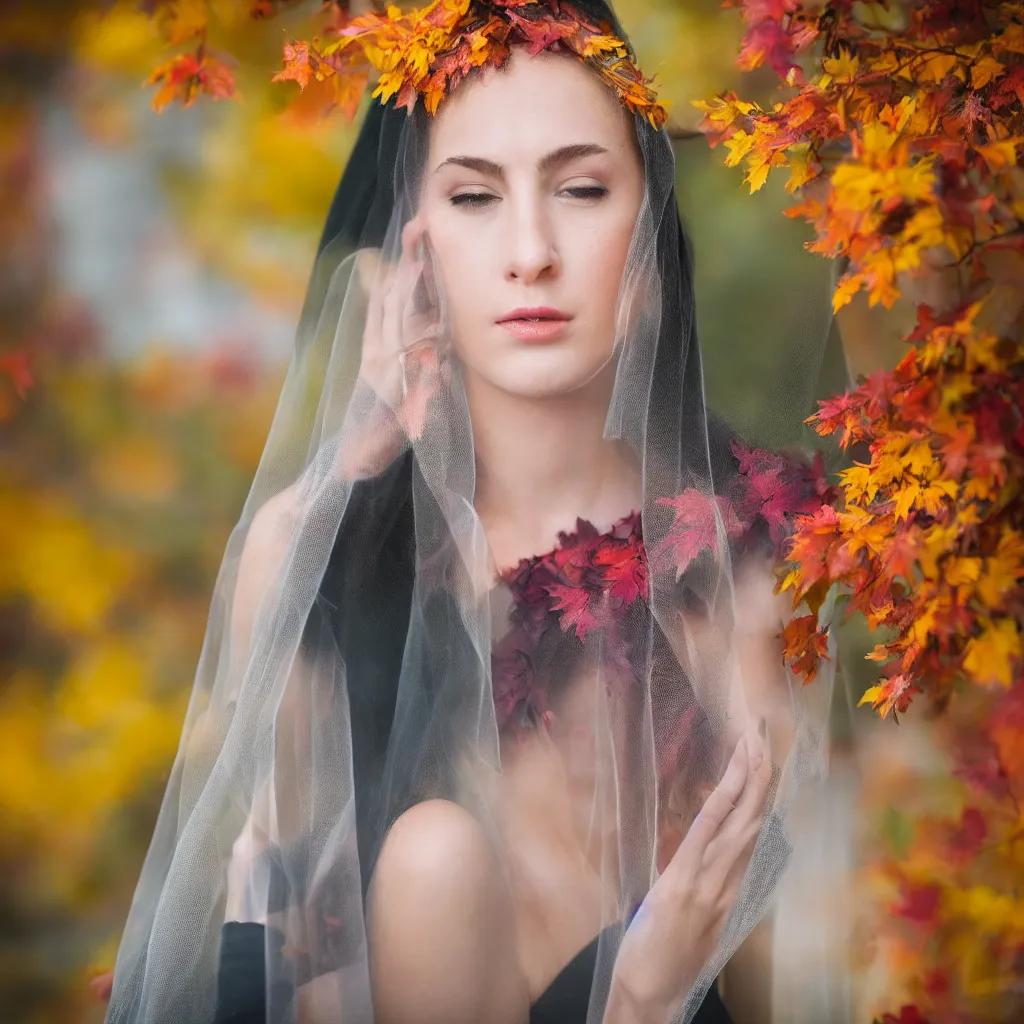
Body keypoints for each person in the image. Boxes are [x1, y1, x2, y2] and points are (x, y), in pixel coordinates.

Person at [104, 2, 836, 1022]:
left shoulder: (747, 556)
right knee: (427, 861)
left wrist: (639, 997)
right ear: (416, 249)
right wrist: (354, 457)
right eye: (473, 196)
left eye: (581, 189)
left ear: (649, 241)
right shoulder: (318, 547)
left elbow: (782, 967)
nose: (530, 251)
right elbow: (262, 928)